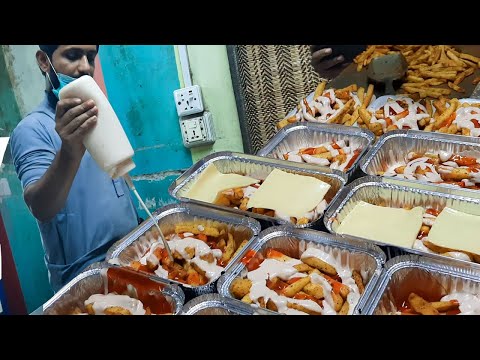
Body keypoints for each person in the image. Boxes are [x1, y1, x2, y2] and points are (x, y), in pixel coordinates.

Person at [10, 45, 140, 292]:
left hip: (131, 255)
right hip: (85, 278)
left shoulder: (98, 110)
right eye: (72, 55)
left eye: (90, 57)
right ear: (44, 62)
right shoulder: (31, 129)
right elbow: (40, 207)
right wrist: (70, 151)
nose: (84, 67)